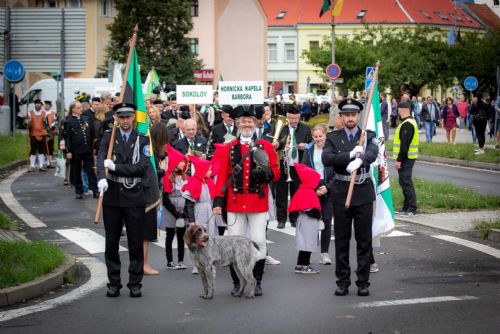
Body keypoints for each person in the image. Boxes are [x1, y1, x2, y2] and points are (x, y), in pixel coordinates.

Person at [212, 104, 280, 296]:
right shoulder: (229, 148)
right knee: (235, 244)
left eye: (250, 121)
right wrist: (218, 202)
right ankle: (238, 283)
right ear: (237, 124)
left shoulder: (265, 146)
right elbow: (223, 177)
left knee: (259, 241)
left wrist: (267, 173)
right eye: (243, 121)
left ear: (255, 122)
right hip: (234, 202)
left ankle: (256, 281)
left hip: (257, 203)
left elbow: (276, 173)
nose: (247, 124)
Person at [322, 98, 378, 297]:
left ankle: (363, 282)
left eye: (353, 114)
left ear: (358, 116)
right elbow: (326, 158)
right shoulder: (333, 137)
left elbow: (373, 152)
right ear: (342, 117)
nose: (350, 118)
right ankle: (342, 281)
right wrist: (349, 156)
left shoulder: (367, 135)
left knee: (364, 241)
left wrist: (361, 158)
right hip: (341, 191)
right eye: (346, 115)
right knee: (342, 241)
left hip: (362, 191)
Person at [96, 102, 151, 298]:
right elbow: (101, 157)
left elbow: (142, 167)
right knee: (111, 242)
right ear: (117, 118)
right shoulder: (108, 136)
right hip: (112, 196)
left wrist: (116, 167)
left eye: (128, 117)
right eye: (122, 117)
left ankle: (135, 282)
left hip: (134, 195)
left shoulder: (142, 140)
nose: (125, 120)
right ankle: (114, 282)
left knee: (135, 242)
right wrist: (101, 178)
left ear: (133, 118)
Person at [302, 124, 334, 265]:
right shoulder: (308, 150)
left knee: (327, 220)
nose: (318, 139)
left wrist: (327, 187)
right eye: (315, 137)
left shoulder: (331, 149)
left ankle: (324, 253)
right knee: (312, 221)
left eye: (320, 136)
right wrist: (313, 187)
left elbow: (338, 171)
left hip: (328, 187)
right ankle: (307, 254)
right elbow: (304, 169)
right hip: (313, 187)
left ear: (325, 135)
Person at [275, 104, 311, 229]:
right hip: (282, 165)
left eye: (296, 118)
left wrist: (305, 146)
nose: (294, 121)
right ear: (287, 116)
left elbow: (312, 143)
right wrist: (281, 145)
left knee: (296, 193)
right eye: (291, 118)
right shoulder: (281, 127)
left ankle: (294, 218)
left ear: (300, 116)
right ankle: (281, 219)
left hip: (298, 166)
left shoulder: (306, 129)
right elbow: (274, 143)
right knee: (281, 194)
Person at [288, 163, 322, 274]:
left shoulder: (302, 190)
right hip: (308, 221)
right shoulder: (308, 192)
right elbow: (310, 210)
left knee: (303, 244)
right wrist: (319, 215)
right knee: (307, 244)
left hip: (302, 220)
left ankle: (299, 264)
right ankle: (305, 266)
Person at [162, 145, 192, 270]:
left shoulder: (185, 177)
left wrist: (185, 211)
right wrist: (175, 212)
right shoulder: (168, 177)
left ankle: (180, 260)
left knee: (181, 236)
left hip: (182, 209)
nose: (183, 164)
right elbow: (165, 198)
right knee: (169, 235)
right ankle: (170, 261)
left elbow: (189, 195)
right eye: (180, 161)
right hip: (171, 210)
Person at [62, 101, 98, 199]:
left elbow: (91, 133)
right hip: (75, 150)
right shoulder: (68, 121)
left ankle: (95, 190)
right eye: (78, 108)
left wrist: (94, 147)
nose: (80, 109)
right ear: (73, 109)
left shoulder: (85, 118)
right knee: (76, 170)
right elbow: (66, 137)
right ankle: (79, 190)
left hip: (87, 149)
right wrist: (67, 151)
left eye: (81, 107)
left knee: (90, 170)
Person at [393, 102, 419, 216]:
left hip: (406, 158)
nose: (398, 112)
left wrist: (399, 160)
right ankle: (406, 206)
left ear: (401, 110)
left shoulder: (407, 124)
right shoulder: (409, 122)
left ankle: (412, 208)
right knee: (404, 182)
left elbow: (404, 145)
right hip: (408, 157)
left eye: (398, 110)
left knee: (406, 182)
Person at [26, 99, 48, 172]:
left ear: (41, 105)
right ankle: (32, 166)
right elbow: (26, 123)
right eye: (36, 103)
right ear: (34, 104)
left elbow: (46, 124)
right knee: (33, 150)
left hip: (42, 134)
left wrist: (48, 133)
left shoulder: (44, 113)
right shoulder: (30, 113)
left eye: (39, 104)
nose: (37, 105)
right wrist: (27, 123)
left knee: (42, 151)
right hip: (33, 134)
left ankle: (41, 166)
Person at [44, 100, 58, 168]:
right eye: (45, 104)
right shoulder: (42, 113)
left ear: (50, 106)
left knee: (50, 148)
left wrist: (51, 127)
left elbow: (55, 122)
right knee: (43, 148)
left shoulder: (53, 113)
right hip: (42, 132)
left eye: (48, 105)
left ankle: (48, 163)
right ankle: (43, 163)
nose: (46, 106)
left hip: (50, 132)